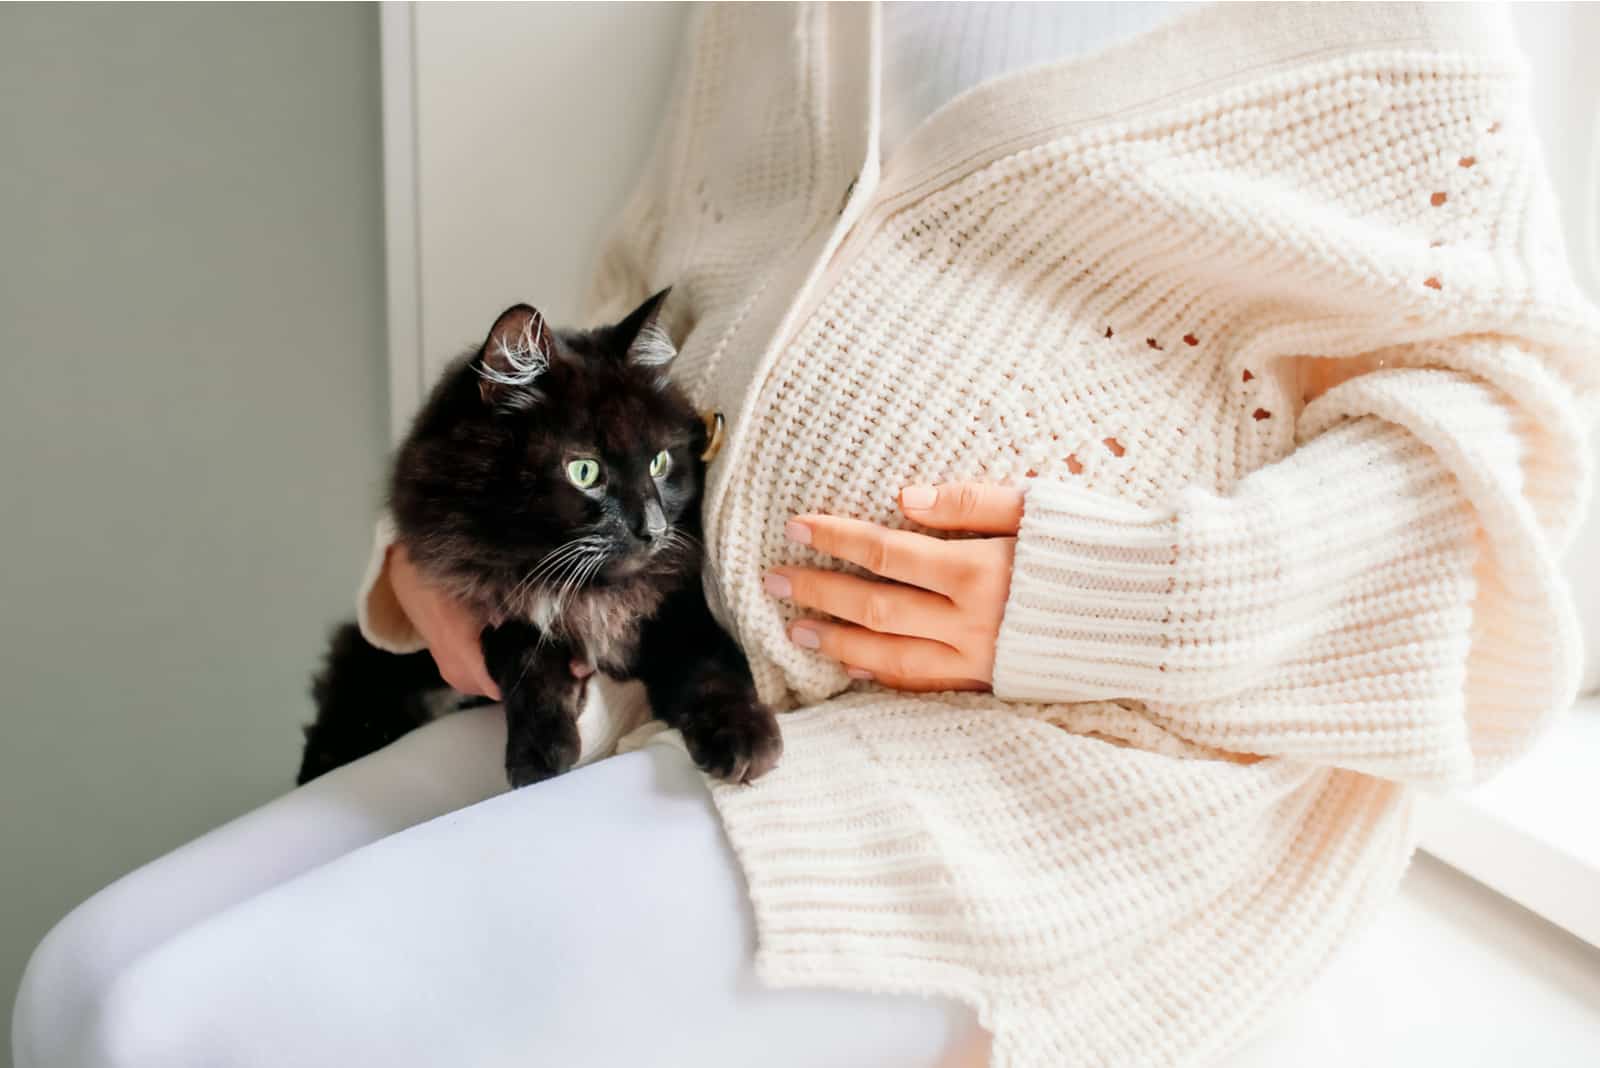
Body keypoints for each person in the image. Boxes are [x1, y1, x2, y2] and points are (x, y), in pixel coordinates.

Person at [15, 3, 1598, 1066]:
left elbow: (1520, 463)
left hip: (1072, 759)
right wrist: (455, 537)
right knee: (82, 976)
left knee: (170, 1021)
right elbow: (661, 309)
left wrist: (1108, 600)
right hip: (712, 672)